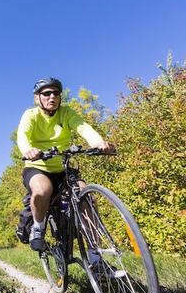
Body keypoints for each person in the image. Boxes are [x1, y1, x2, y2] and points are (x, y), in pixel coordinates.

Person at [16, 77, 114, 256]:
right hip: (37, 166)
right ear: (38, 98)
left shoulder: (67, 113)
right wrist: (29, 150)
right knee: (43, 189)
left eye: (56, 93)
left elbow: (83, 128)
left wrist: (99, 143)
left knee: (86, 197)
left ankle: (96, 258)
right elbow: (23, 135)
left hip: (63, 168)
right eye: (46, 93)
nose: (52, 96)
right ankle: (38, 227)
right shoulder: (31, 115)